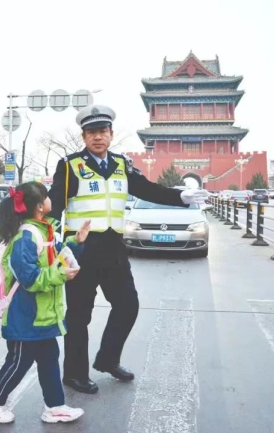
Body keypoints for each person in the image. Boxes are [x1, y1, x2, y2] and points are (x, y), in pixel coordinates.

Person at [47, 105, 208, 394]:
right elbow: (55, 205)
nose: (98, 137)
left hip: (114, 248)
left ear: (111, 134)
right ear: (83, 136)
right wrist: (45, 240)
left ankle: (108, 359)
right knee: (79, 315)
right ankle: (74, 374)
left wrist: (181, 197)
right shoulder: (70, 166)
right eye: (91, 132)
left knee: (128, 305)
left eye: (102, 131)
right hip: (81, 251)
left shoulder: (122, 164)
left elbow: (147, 189)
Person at [0, 182, 90, 425]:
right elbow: (29, 278)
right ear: (40, 206)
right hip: (25, 315)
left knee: (49, 359)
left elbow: (56, 257)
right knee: (19, 362)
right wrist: (60, 274)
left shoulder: (44, 230)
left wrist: (75, 243)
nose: (50, 200)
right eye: (46, 196)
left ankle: (55, 407)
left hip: (43, 314)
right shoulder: (26, 237)